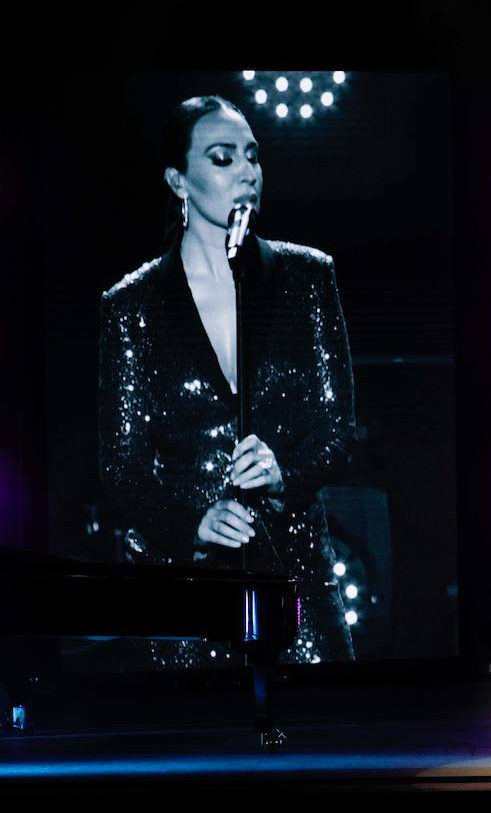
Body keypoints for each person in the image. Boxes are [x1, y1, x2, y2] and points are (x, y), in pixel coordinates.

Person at [99, 95, 356, 666]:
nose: (247, 172)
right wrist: (195, 521)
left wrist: (284, 474)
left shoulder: (307, 278)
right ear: (178, 180)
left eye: (253, 156)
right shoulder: (133, 306)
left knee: (324, 720)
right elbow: (122, 470)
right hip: (187, 597)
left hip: (297, 585)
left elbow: (338, 430)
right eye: (222, 158)